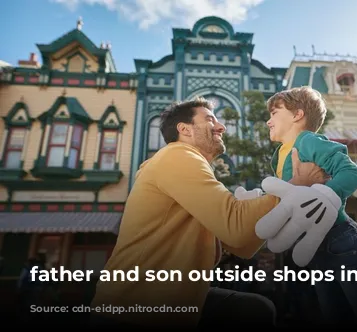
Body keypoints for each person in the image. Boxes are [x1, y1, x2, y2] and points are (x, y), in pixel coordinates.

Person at [89, 97, 328, 328]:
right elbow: (235, 227)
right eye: (211, 120)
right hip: (134, 305)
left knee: (255, 311)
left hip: (168, 300)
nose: (221, 126)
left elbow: (241, 243)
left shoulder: (188, 166)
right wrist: (295, 186)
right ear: (185, 129)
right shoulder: (177, 155)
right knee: (254, 312)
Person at [259, 86, 357, 328]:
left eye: (275, 112)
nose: (268, 120)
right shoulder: (278, 156)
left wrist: (325, 195)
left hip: (342, 239)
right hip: (316, 248)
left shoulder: (307, 141)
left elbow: (351, 172)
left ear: (297, 115)